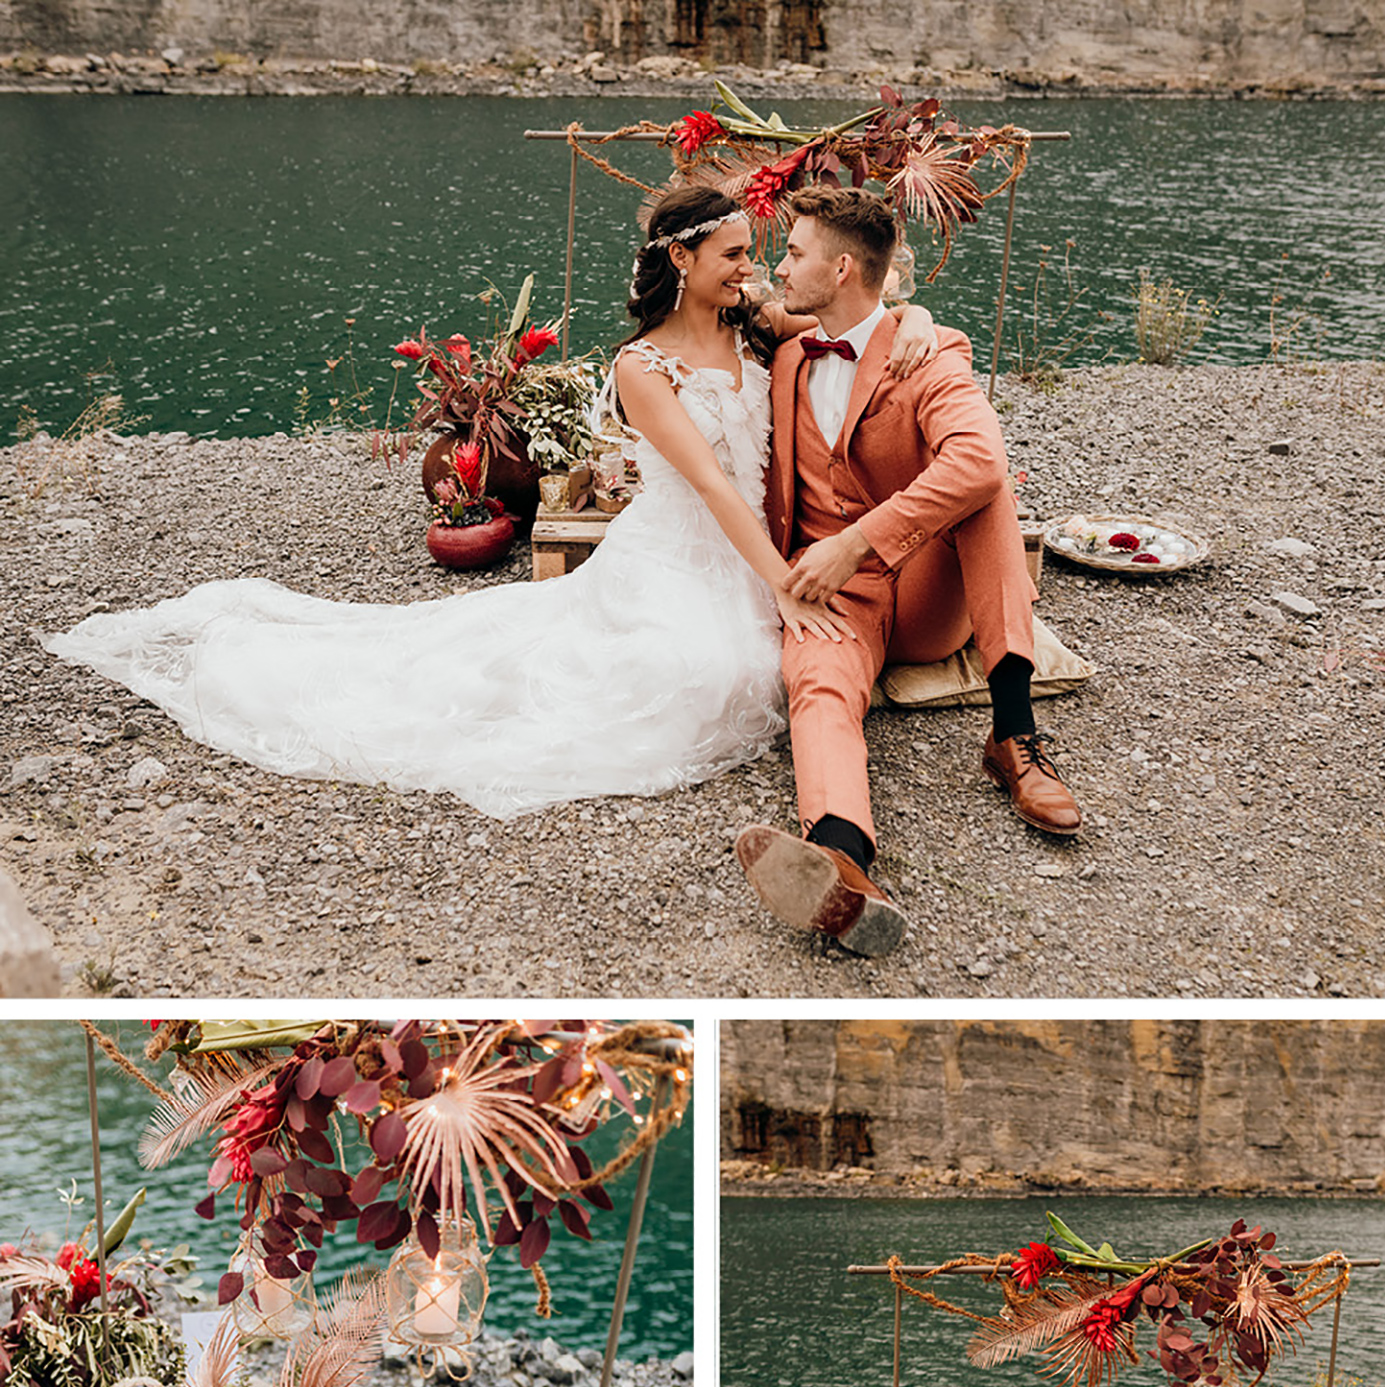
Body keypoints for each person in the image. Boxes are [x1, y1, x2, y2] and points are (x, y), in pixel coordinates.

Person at [43, 188, 935, 824]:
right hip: (677, 553)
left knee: (743, 669)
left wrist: (927, 328)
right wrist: (785, 584)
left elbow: (864, 323)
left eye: (755, 254)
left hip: (748, 553)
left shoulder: (759, 326)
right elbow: (707, 481)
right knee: (698, 678)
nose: (753, 268)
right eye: (736, 254)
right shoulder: (640, 367)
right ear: (683, 259)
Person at [734, 186, 1083, 959]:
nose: (779, 266)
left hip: (923, 590)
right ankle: (842, 858)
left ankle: (1014, 736)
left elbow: (979, 459)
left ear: (844, 268)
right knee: (818, 684)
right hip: (833, 597)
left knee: (985, 489)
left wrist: (857, 541)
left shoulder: (931, 352)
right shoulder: (791, 345)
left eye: (793, 254)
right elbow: (713, 302)